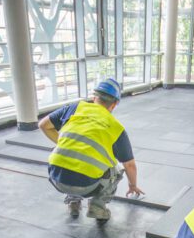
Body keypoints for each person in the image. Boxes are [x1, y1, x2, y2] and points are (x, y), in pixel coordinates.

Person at [38, 78, 143, 224]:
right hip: (87, 186)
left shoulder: (73, 108)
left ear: (94, 98)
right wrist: (133, 186)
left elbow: (43, 125)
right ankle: (97, 206)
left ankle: (73, 202)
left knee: (71, 159)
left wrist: (61, 142)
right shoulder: (115, 127)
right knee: (116, 170)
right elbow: (130, 165)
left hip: (56, 178)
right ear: (114, 105)